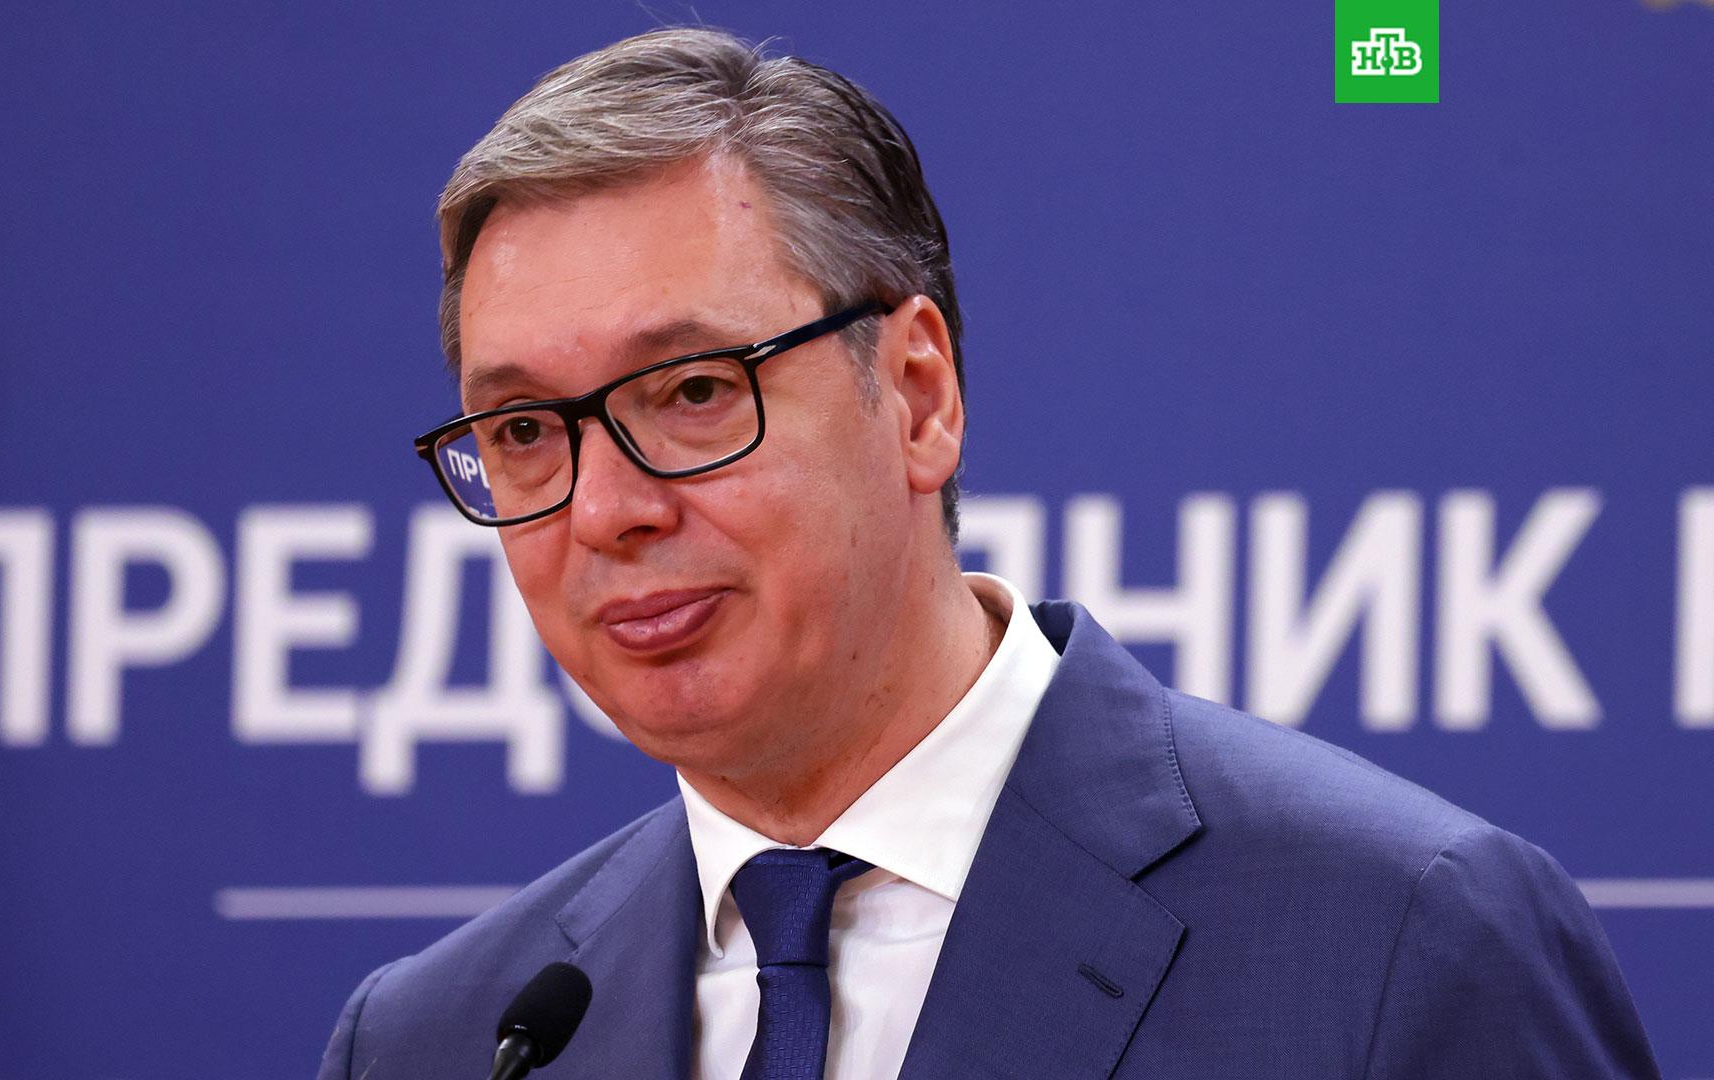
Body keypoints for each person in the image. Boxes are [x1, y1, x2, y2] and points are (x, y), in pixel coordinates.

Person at [320, 27, 1659, 1080]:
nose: (605, 510)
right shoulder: (440, 1040)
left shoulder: (1399, 941)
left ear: (916, 395)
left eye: (694, 392)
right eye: (524, 431)